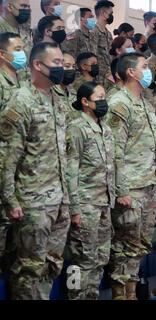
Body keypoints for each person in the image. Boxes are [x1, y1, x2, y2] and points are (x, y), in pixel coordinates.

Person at [0, 42, 70, 300]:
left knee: (50, 265)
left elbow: (64, 154)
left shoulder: (58, 101)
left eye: (62, 63)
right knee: (29, 269)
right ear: (38, 65)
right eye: (57, 63)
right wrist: (10, 199)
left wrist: (68, 199)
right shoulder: (21, 100)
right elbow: (8, 155)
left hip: (59, 200)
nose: (61, 68)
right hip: (33, 201)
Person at [106, 53, 156, 300]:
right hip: (131, 185)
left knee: (140, 243)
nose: (148, 71)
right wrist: (121, 189)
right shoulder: (119, 103)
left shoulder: (146, 104)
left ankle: (131, 291)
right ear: (130, 72)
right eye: (145, 67)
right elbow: (114, 149)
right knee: (125, 243)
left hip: (149, 183)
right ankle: (120, 293)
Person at [65, 81, 115, 300]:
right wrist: (74, 208)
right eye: (99, 98)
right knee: (80, 261)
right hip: (85, 205)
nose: (104, 102)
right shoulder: (77, 128)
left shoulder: (106, 128)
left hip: (104, 203)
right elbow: (70, 170)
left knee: (100, 258)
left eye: (105, 97)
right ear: (85, 102)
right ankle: (74, 297)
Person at [0, 31, 27, 274]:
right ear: (2, 53)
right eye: (17, 49)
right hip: (2, 167)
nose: (22, 53)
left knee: (14, 249)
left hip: (19, 170)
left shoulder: (22, 81)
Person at [90, 0, 114, 86]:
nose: (112, 15)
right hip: (98, 77)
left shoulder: (108, 34)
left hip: (108, 76)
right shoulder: (94, 31)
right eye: (111, 13)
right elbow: (92, 54)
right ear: (104, 13)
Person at [53, 51, 78, 121]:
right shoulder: (50, 92)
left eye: (73, 66)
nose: (72, 69)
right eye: (67, 66)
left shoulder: (73, 92)